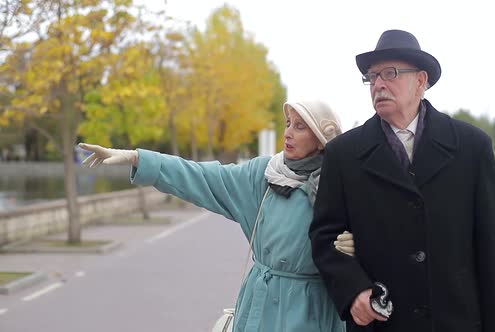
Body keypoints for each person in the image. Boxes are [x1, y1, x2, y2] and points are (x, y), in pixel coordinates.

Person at [309, 29, 495, 332]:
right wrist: (353, 290)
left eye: (389, 73)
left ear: (421, 81)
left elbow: (493, 254)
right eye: (372, 76)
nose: (378, 84)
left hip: (455, 322)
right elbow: (324, 236)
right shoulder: (343, 154)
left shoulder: (472, 147)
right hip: (382, 322)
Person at [79, 99, 346, 332]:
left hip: (310, 313)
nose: (288, 132)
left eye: (300, 127)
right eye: (288, 123)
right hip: (258, 308)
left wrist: (358, 247)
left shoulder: (341, 185)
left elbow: (377, 229)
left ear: (322, 140)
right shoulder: (262, 176)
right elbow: (203, 176)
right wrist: (139, 159)